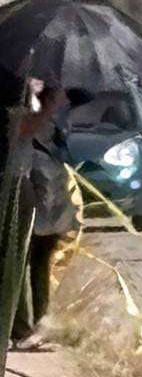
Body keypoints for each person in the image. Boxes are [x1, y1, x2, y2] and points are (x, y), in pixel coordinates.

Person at [10, 79, 82, 352]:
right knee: (19, 265)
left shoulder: (55, 120)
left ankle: (37, 324)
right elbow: (24, 131)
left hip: (48, 204)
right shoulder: (28, 110)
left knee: (36, 264)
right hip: (32, 199)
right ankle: (22, 328)